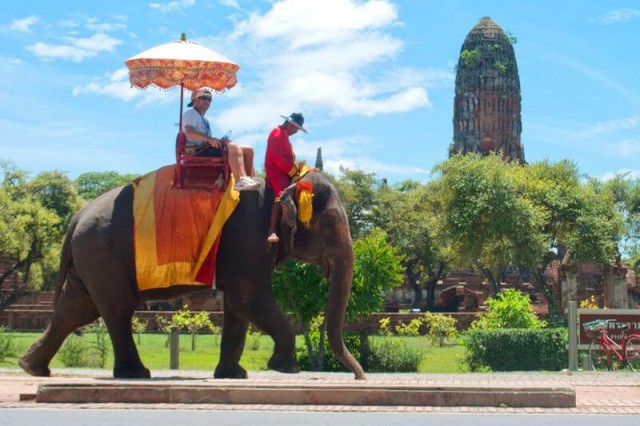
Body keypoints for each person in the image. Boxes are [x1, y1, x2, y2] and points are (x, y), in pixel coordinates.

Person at [182, 88, 259, 191]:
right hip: (197, 150)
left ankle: (251, 179)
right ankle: (240, 180)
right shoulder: (191, 113)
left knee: (248, 149)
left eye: (209, 99)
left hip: (204, 148)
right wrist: (209, 139)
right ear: (195, 100)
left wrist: (220, 141)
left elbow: (207, 140)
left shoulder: (205, 120)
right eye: (204, 98)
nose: (207, 101)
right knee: (233, 147)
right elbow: (189, 132)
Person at [265, 112, 308, 243]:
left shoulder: (284, 135)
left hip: (285, 170)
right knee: (282, 194)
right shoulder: (277, 133)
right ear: (290, 124)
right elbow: (279, 160)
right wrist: (294, 172)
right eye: (296, 128)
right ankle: (272, 230)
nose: (296, 132)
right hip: (276, 171)